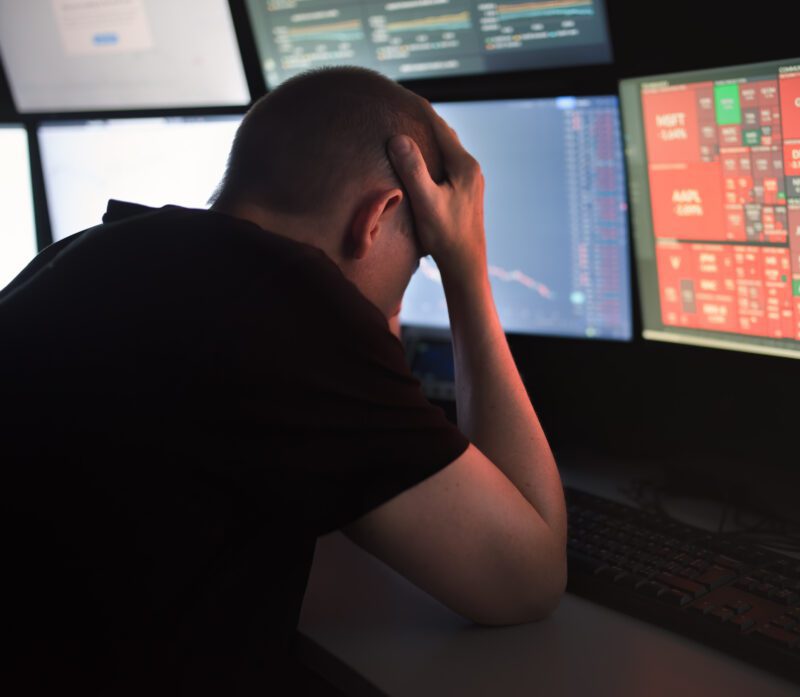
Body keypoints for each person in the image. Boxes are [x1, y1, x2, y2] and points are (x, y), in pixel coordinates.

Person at [2, 67, 566, 696]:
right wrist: (465, 261)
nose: (401, 293)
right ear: (378, 216)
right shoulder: (288, 304)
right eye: (418, 258)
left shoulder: (88, 251)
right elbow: (528, 577)